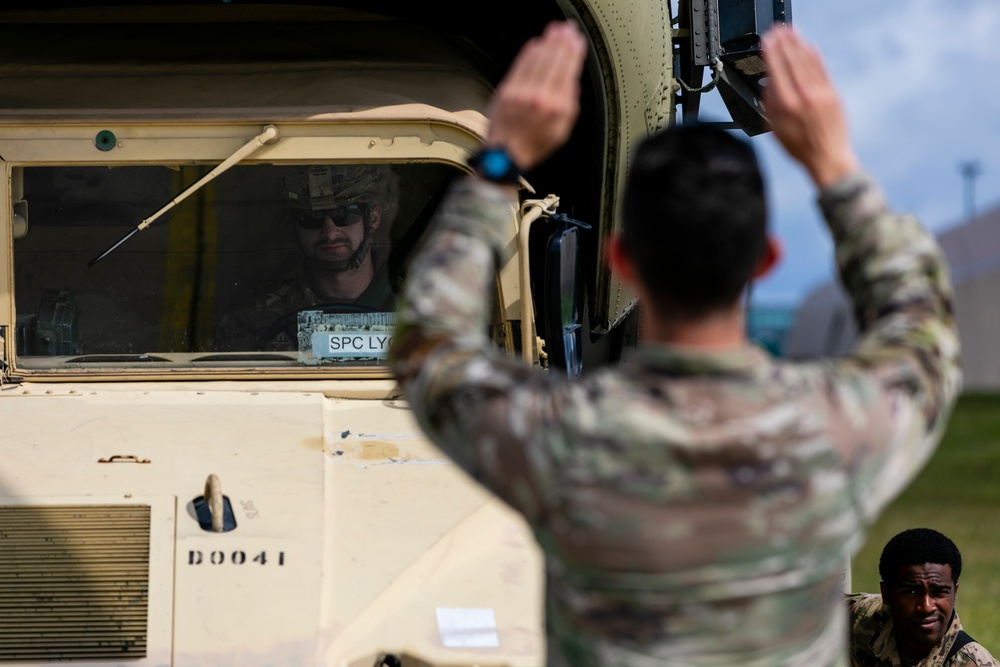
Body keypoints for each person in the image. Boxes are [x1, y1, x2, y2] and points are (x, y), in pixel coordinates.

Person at [390, 21, 961, 667]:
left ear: (621, 261)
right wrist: (834, 167)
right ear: (765, 259)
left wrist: (498, 163)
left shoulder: (561, 434)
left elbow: (426, 345)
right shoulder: (832, 428)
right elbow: (922, 329)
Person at [216, 164, 396, 351]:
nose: (330, 232)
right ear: (295, 224)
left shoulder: (417, 307)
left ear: (373, 218)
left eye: (344, 214)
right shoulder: (253, 318)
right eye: (312, 216)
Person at [848, 529, 998, 667]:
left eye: (939, 592)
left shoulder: (972, 663)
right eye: (912, 592)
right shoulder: (863, 616)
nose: (926, 607)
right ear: (886, 594)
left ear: (954, 594)